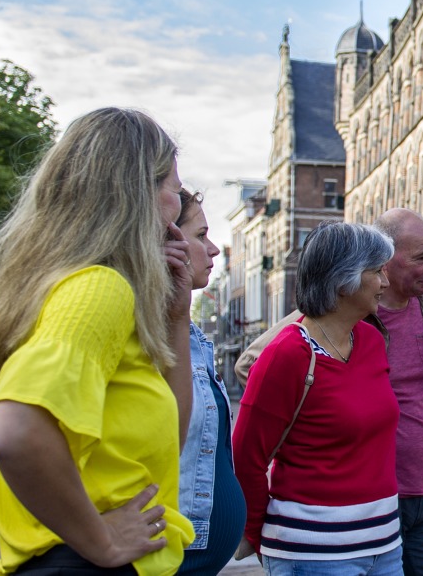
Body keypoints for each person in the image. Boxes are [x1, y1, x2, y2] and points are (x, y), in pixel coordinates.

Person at [0, 107, 195, 575]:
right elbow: (15, 430)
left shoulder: (81, 289)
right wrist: (101, 542)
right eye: (175, 190)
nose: (178, 209)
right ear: (139, 194)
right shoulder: (100, 290)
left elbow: (169, 444)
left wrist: (175, 318)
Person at [237, 209, 423, 575]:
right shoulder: (310, 335)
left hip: (407, 510)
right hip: (322, 533)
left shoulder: (417, 321)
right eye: (421, 258)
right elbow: (248, 449)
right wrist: (316, 436)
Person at [233, 222, 402, 574]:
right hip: (313, 552)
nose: (385, 282)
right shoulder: (286, 354)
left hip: (384, 544)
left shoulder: (371, 341)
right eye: (376, 271)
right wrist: (262, 538)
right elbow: (247, 458)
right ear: (343, 280)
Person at [173, 191, 245, 575]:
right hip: (174, 553)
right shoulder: (144, 333)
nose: (214, 249)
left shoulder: (193, 337)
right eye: (201, 235)